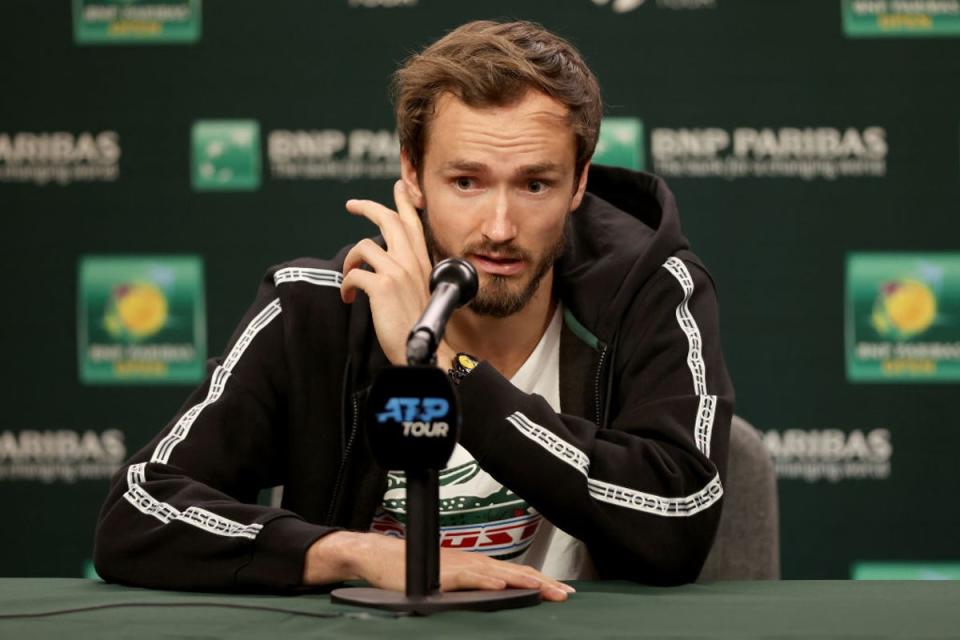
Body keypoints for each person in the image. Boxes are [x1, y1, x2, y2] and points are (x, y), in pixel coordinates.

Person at [94, 20, 734, 602]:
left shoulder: (651, 291)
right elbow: (135, 513)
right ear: (413, 174)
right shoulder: (318, 308)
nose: (500, 227)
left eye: (535, 183)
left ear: (580, 183)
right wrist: (352, 553)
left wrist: (446, 371)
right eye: (466, 182)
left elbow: (679, 520)